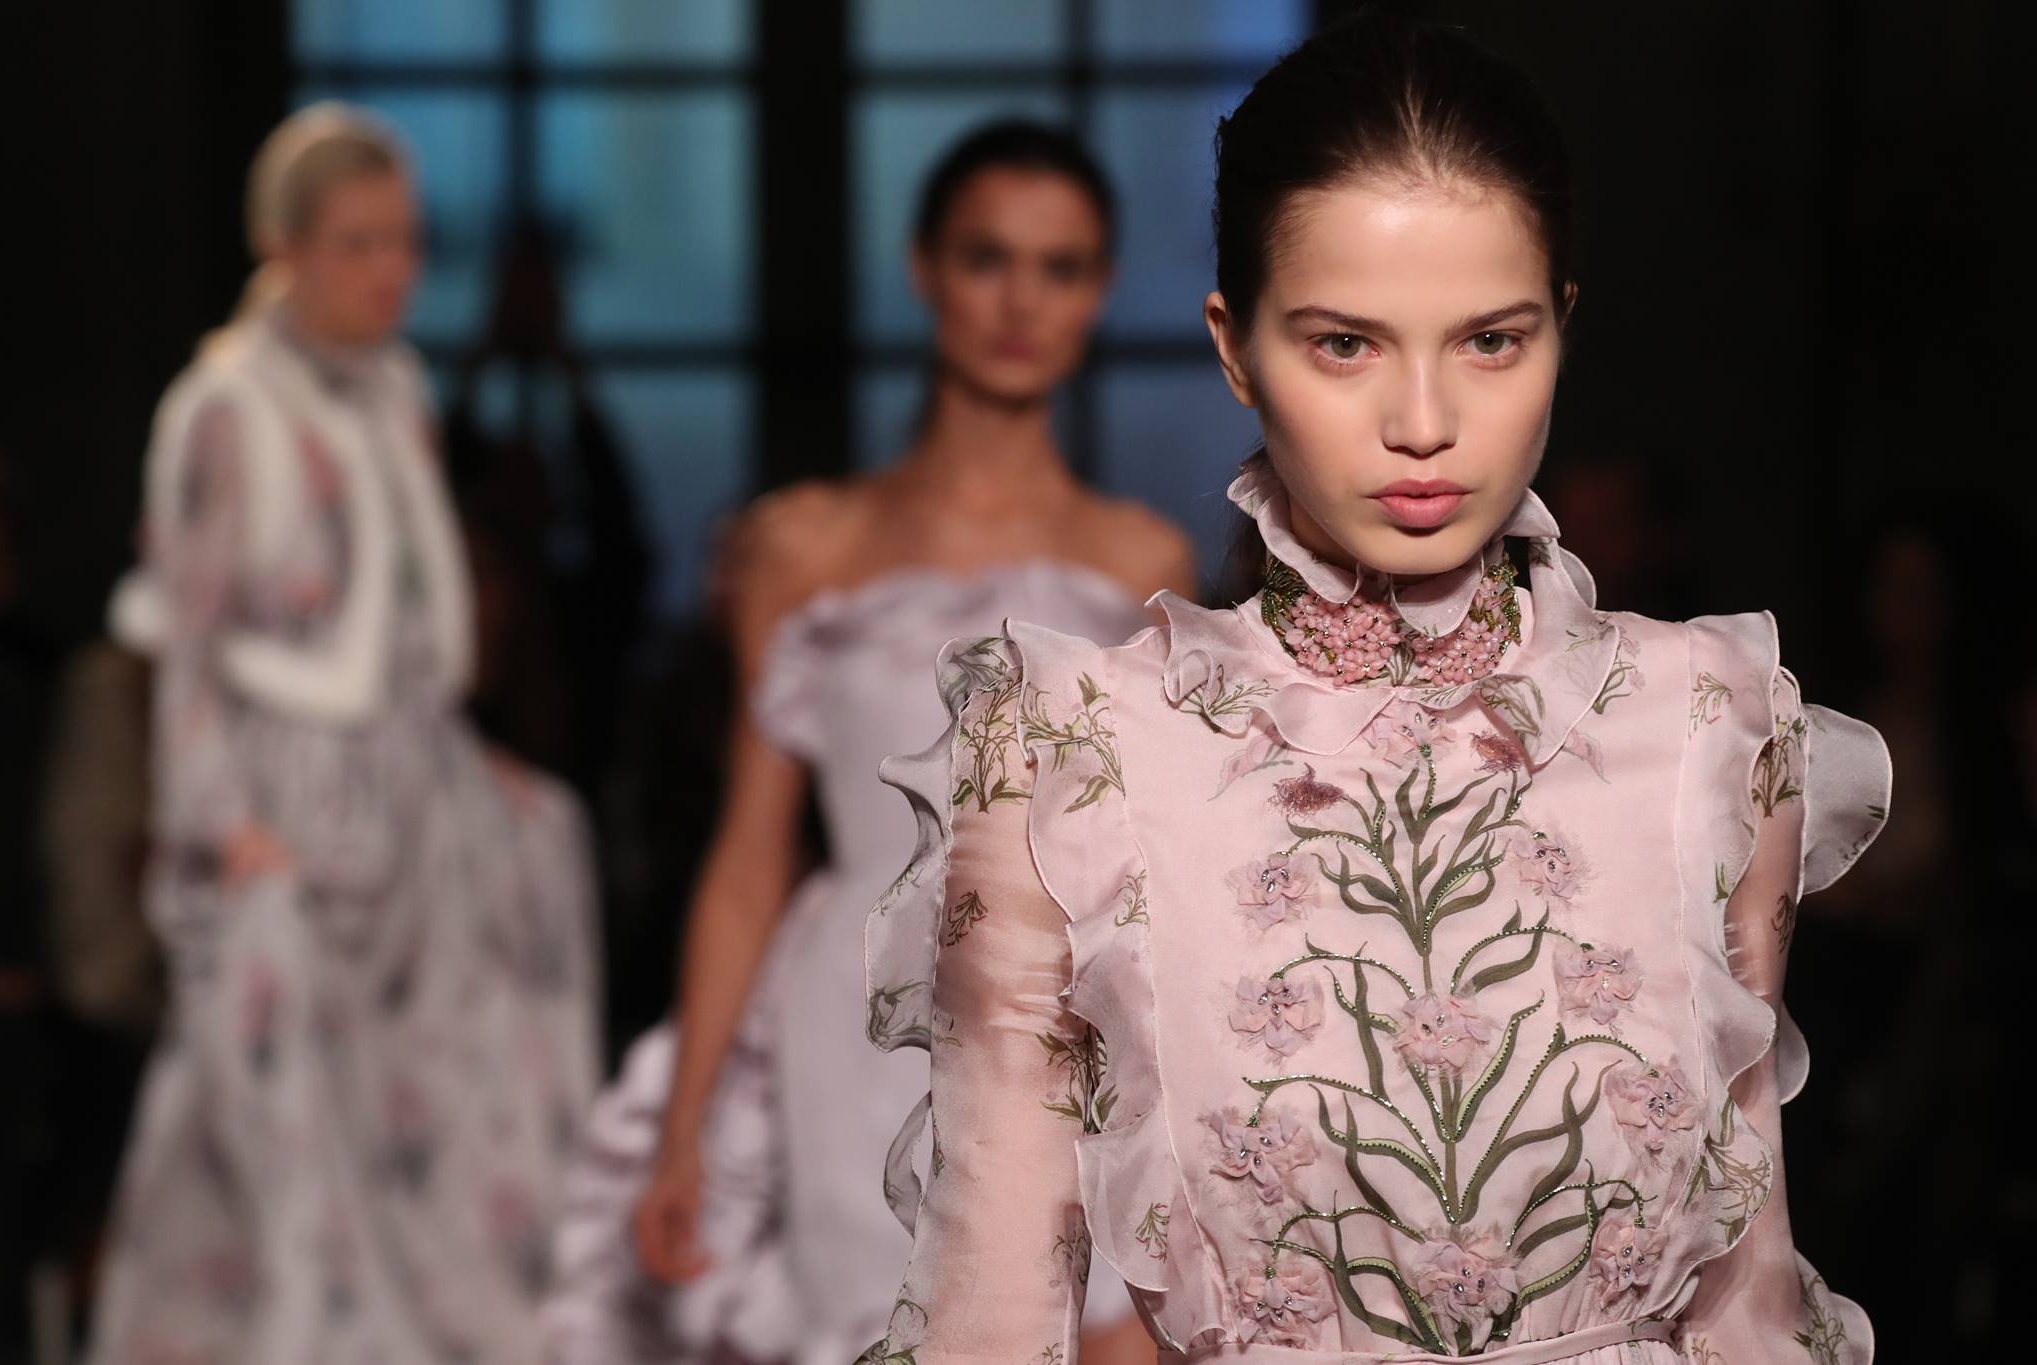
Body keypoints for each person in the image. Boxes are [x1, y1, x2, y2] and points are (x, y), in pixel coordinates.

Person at [860, 16, 1886, 1365]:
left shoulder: (1712, 722)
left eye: (1490, 341)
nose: (1422, 421)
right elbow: (991, 1325)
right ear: (1235, 347)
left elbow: (1746, 1298)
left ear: (1562, 328)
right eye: (1344, 343)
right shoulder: (1072, 752)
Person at [541, 121, 1192, 1365]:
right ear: (923, 270)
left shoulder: (1139, 565)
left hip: (1059, 1013)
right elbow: (747, 858)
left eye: (1059, 269)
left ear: (1097, 293)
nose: (1019, 301)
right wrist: (684, 1131)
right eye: (985, 257)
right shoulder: (803, 549)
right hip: (848, 1019)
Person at [88, 103, 600, 1364]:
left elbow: (410, 618)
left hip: (416, 798)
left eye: (405, 242)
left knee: (452, 1104)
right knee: (284, 1140)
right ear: (286, 244)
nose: (390, 272)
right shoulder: (221, 407)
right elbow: (190, 652)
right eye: (357, 243)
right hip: (290, 802)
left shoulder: (395, 387)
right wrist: (222, 825)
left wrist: (456, 750)